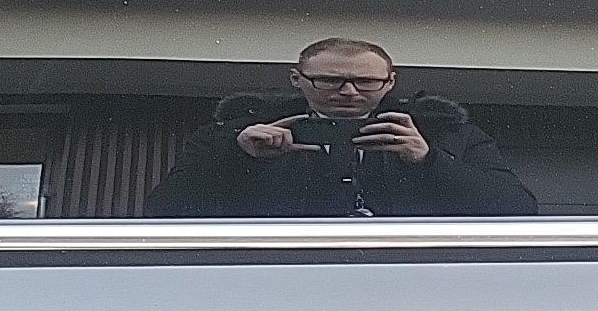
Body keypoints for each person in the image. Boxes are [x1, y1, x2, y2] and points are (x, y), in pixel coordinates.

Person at [145, 37, 537, 218]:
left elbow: (517, 210)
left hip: (412, 278)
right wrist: (240, 155)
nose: (349, 92)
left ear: (390, 83)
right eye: (330, 80)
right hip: (277, 278)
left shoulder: (448, 133)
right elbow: (164, 211)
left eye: (366, 82)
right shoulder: (237, 133)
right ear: (297, 79)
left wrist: (428, 160)